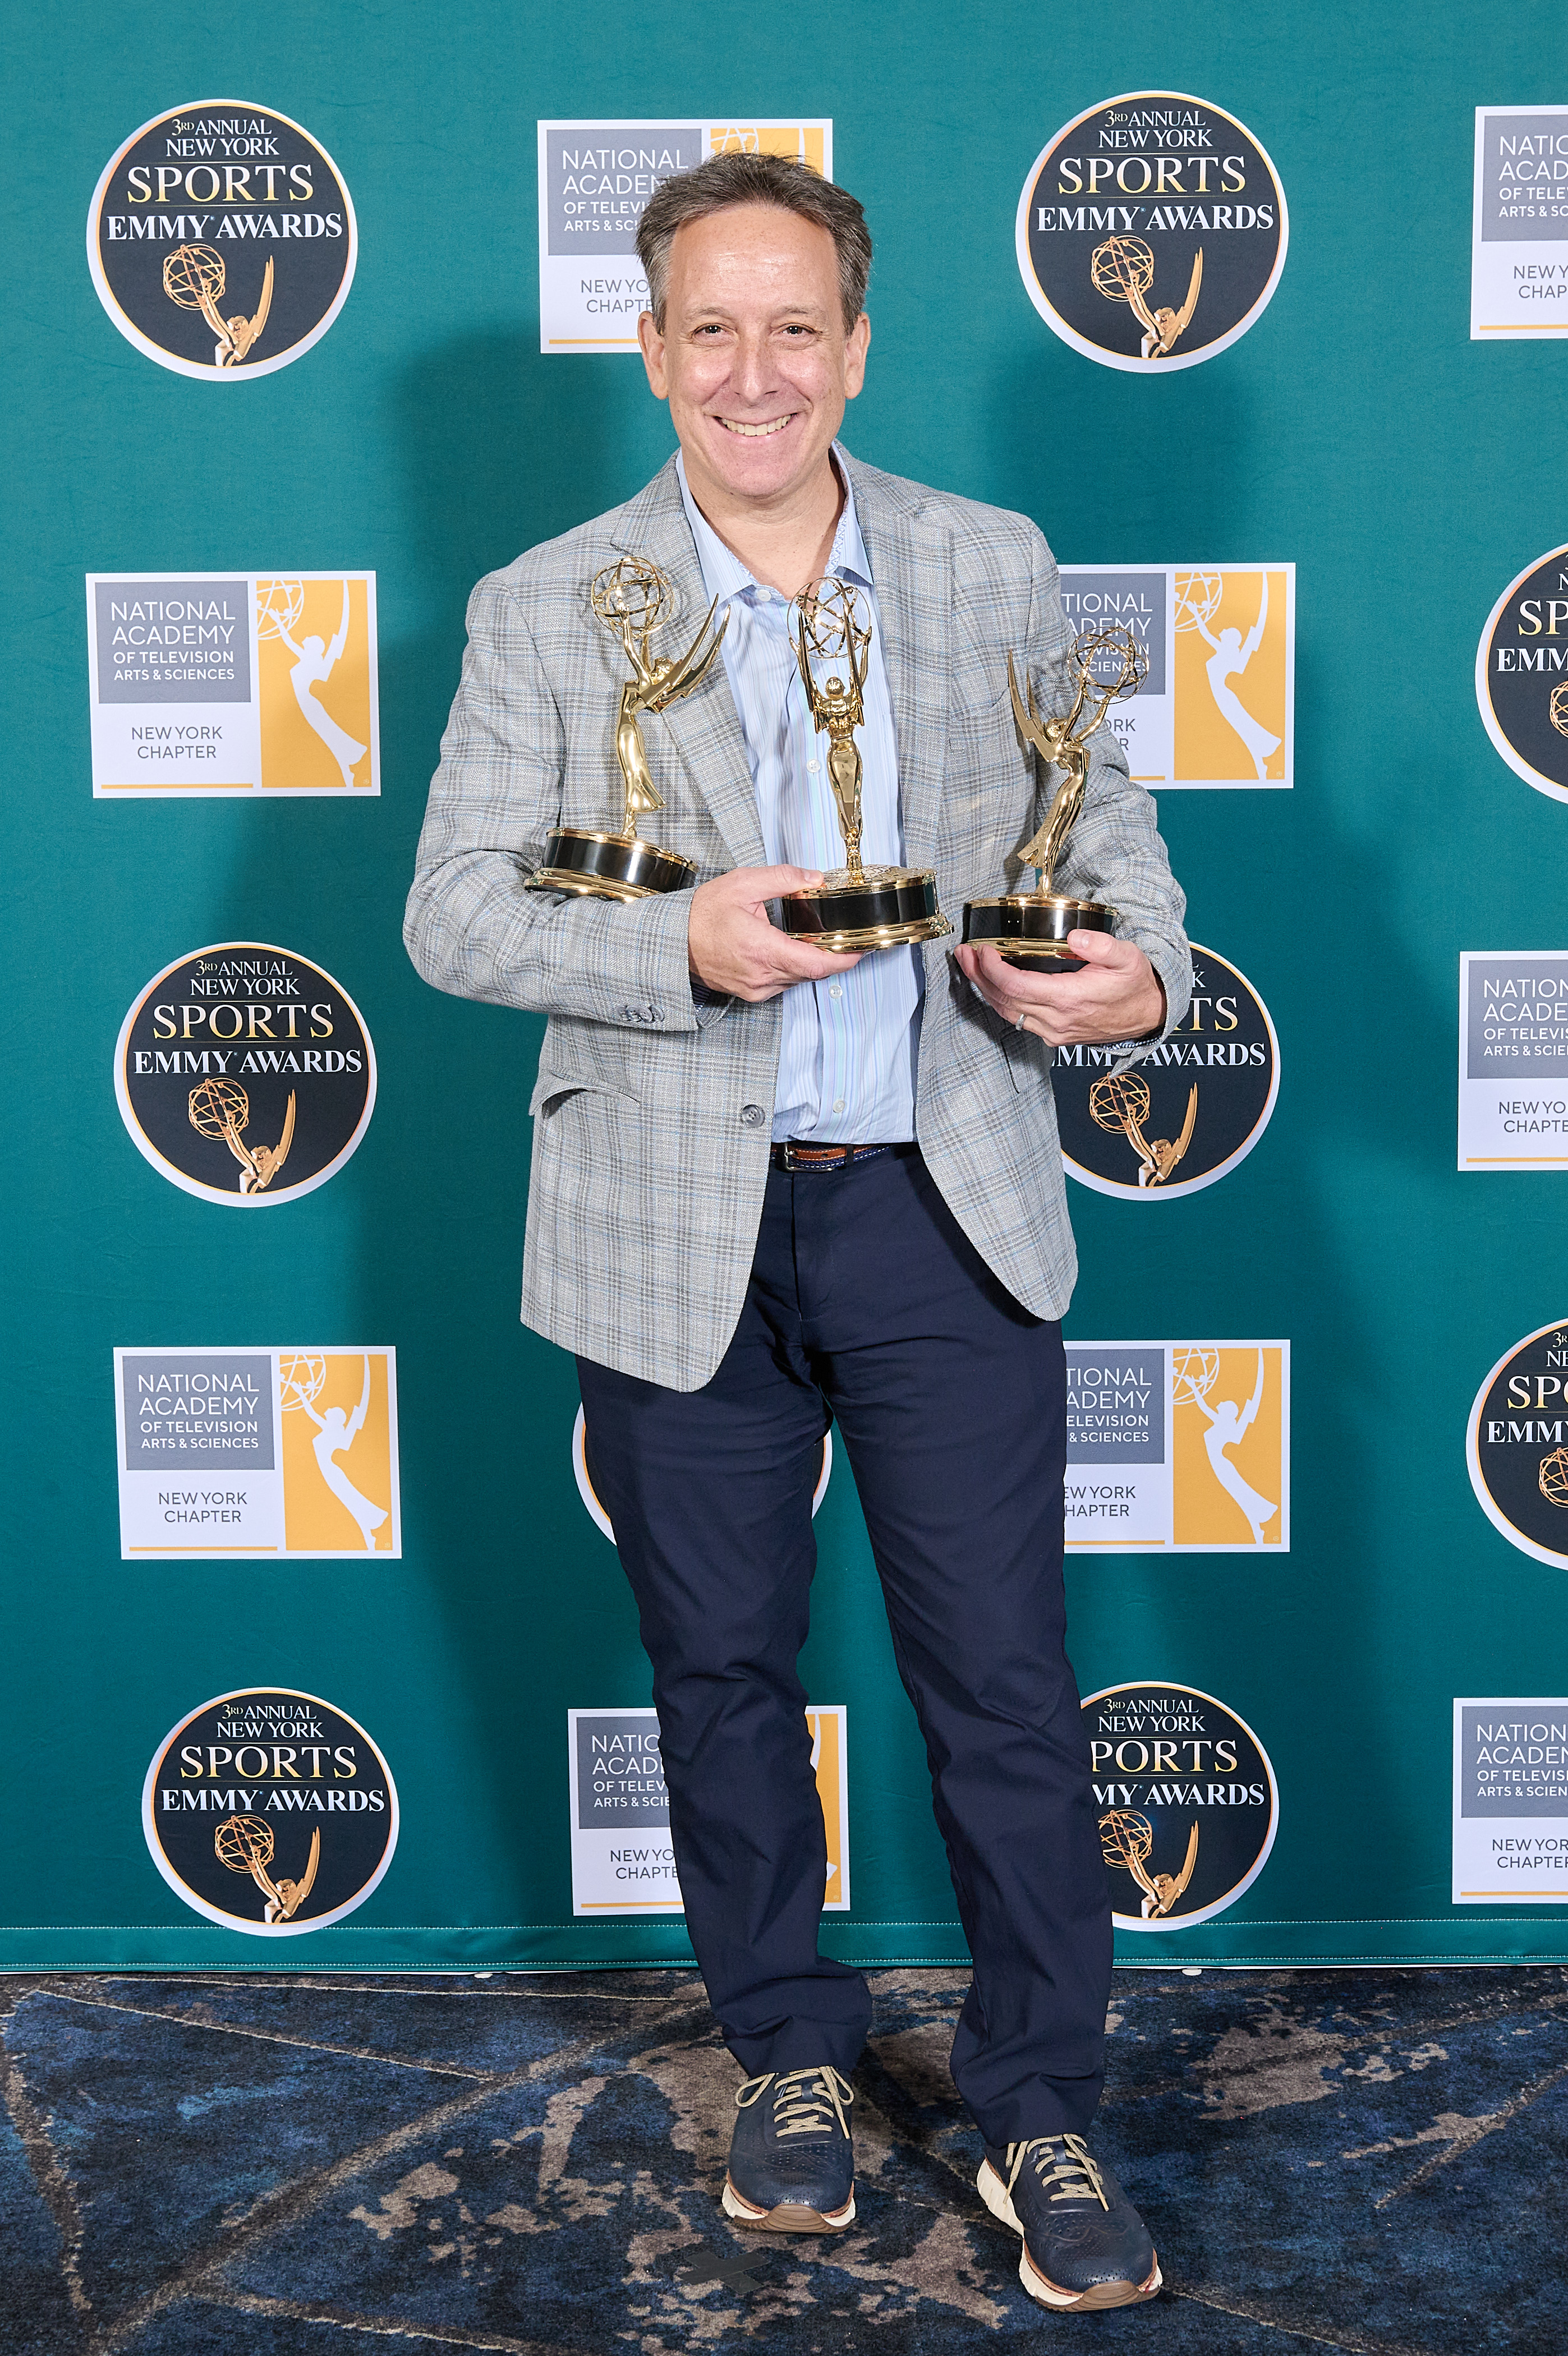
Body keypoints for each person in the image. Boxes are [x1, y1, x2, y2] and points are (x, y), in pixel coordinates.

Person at [406, 150, 1190, 2314]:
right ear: (651, 351)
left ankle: (1039, 2102)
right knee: (721, 1675)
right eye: (709, 331)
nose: (751, 373)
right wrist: (682, 943)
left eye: (792, 329)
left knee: (1004, 1683)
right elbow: (454, 911)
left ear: (853, 348)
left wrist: (1140, 978)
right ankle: (789, 2057)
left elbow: (1109, 833)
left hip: (942, 1204)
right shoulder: (545, 601)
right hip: (671, 1226)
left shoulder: (985, 560)